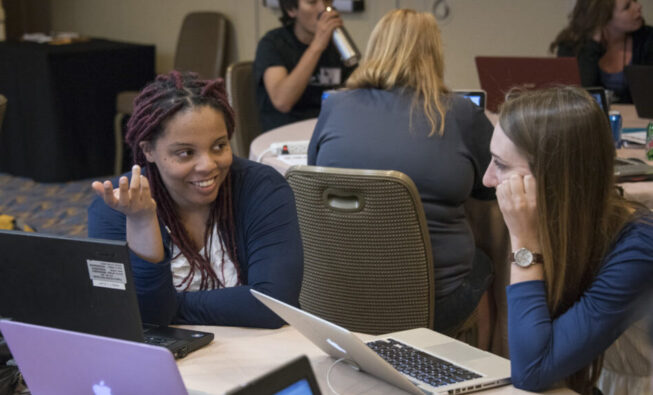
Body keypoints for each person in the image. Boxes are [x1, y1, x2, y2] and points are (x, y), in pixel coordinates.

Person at [307, 9, 495, 340]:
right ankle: (489, 369)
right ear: (434, 53)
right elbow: (491, 188)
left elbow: (315, 179)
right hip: (436, 304)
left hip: (338, 297)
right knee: (488, 259)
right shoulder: (459, 113)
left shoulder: (334, 106)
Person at [88, 71, 304, 328]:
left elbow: (274, 304)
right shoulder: (116, 205)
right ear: (149, 151)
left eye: (219, 146)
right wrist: (142, 222)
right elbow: (132, 316)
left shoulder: (261, 187)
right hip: (167, 357)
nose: (208, 165)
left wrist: (171, 306)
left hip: (262, 350)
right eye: (185, 153)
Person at [482, 86, 653, 393]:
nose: (488, 179)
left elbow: (532, 371)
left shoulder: (639, 246)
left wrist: (523, 242)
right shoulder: (568, 224)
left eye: (502, 165)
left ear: (552, 175)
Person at [253, 0, 356, 132]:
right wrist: (317, 45)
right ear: (292, 10)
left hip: (327, 130)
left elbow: (356, 91)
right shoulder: (273, 44)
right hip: (284, 134)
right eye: (312, 2)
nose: (322, 8)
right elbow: (282, 101)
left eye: (327, 1)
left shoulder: (338, 45)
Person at [551, 0, 653, 103]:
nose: (638, 6)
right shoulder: (571, 46)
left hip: (638, 118)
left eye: (635, 1)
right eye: (627, 7)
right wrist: (592, 45)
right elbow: (580, 97)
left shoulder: (647, 39)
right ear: (603, 17)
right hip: (590, 117)